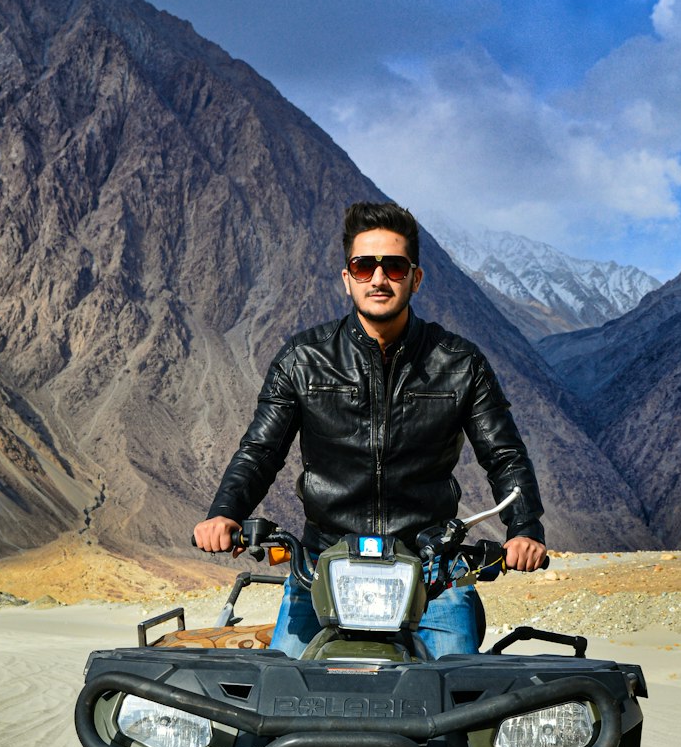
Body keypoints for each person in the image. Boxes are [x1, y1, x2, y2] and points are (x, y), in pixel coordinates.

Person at [193, 200, 546, 656]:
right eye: (364, 266)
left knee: (455, 701)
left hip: (431, 572)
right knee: (283, 695)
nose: (379, 279)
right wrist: (225, 512)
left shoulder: (459, 363)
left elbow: (504, 455)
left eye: (394, 267)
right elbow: (260, 451)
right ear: (348, 279)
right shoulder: (303, 359)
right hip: (322, 568)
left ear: (415, 278)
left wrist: (525, 530)